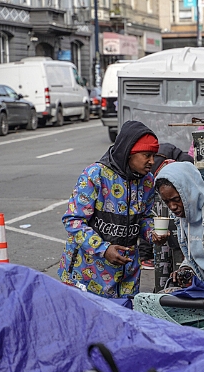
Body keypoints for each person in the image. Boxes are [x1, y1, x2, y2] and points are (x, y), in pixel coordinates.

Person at [57, 121, 169, 298]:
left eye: (154, 155)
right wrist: (103, 249)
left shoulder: (147, 182)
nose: (152, 161)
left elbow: (144, 219)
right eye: (147, 155)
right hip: (87, 274)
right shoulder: (95, 175)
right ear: (128, 153)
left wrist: (152, 233)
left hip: (127, 276)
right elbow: (73, 221)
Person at [138, 142, 194, 269]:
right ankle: (145, 256)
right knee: (153, 217)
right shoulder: (152, 168)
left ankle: (145, 256)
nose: (172, 206)